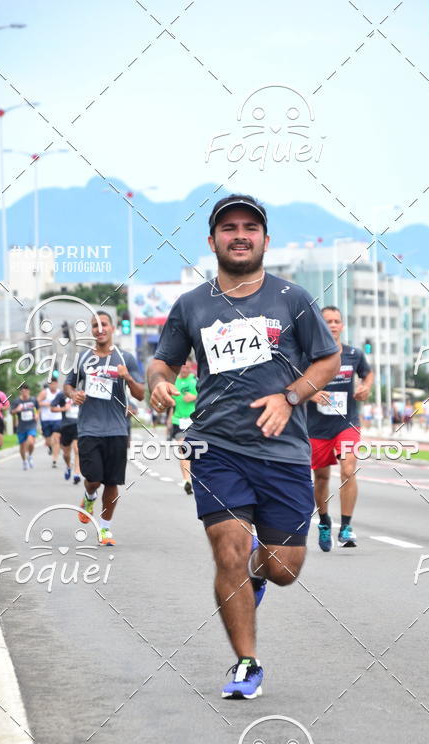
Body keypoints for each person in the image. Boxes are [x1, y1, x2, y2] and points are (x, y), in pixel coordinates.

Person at [147, 194, 340, 699]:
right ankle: (246, 664)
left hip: (283, 452)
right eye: (228, 227)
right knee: (227, 549)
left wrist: (291, 395)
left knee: (282, 569)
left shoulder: (292, 299)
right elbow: (162, 362)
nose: (239, 235)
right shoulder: (191, 304)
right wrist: (159, 383)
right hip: (217, 446)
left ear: (265, 241)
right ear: (212, 241)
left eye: (249, 228)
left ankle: (259, 566)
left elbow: (328, 359)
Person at [65, 311, 144, 546]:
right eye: (94, 325)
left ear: (112, 328)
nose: (99, 329)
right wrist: (74, 394)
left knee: (112, 483)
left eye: (104, 324)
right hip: (90, 427)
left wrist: (127, 377)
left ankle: (105, 529)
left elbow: (140, 393)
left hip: (118, 429)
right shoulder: (82, 359)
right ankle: (89, 496)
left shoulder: (125, 358)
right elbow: (67, 385)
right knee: (93, 479)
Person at [307, 306, 373, 551]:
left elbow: (368, 374)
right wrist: (311, 393)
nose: (333, 325)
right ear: (321, 326)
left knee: (348, 469)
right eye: (328, 321)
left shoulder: (353, 354)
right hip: (316, 427)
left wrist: (366, 387)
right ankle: (324, 521)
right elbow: (295, 383)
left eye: (337, 321)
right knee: (321, 478)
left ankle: (346, 526)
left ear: (342, 326)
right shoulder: (309, 355)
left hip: (346, 424)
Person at [166, 359, 198, 495]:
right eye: (183, 368)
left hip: (194, 421)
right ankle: (187, 480)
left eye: (188, 368)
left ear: (191, 368)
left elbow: (207, 398)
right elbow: (172, 403)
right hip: (178, 421)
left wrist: (196, 397)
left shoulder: (196, 381)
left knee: (196, 452)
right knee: (184, 449)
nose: (185, 370)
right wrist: (169, 419)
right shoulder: (174, 382)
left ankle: (195, 478)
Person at [50, 388, 81, 484]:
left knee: (77, 449)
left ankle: (77, 474)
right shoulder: (62, 395)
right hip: (66, 426)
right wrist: (63, 408)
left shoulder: (81, 393)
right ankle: (68, 467)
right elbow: (52, 407)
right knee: (66, 454)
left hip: (79, 425)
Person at [11, 384, 39, 470]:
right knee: (22, 445)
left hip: (31, 425)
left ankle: (30, 456)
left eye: (26, 391)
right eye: (23, 391)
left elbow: (38, 408)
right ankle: (24, 461)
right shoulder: (17, 401)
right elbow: (11, 412)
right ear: (20, 392)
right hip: (21, 426)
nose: (25, 393)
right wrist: (17, 410)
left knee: (31, 442)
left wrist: (37, 414)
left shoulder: (33, 400)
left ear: (29, 391)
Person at [38, 377, 62, 468]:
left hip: (57, 418)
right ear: (49, 385)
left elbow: (64, 403)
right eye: (51, 384)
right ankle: (50, 447)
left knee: (56, 439)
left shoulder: (60, 393)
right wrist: (46, 404)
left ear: (57, 384)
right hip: (46, 419)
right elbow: (37, 402)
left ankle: (54, 460)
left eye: (55, 384)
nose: (53, 385)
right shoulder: (44, 393)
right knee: (48, 441)